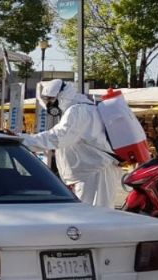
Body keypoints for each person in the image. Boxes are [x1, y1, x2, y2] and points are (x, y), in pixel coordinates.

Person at [20, 79, 120, 208]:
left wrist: (22, 140)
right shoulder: (80, 109)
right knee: (90, 216)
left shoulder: (78, 111)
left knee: (93, 216)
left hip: (95, 172)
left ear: (62, 95)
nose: (50, 104)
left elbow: (57, 138)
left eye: (51, 99)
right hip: (90, 171)